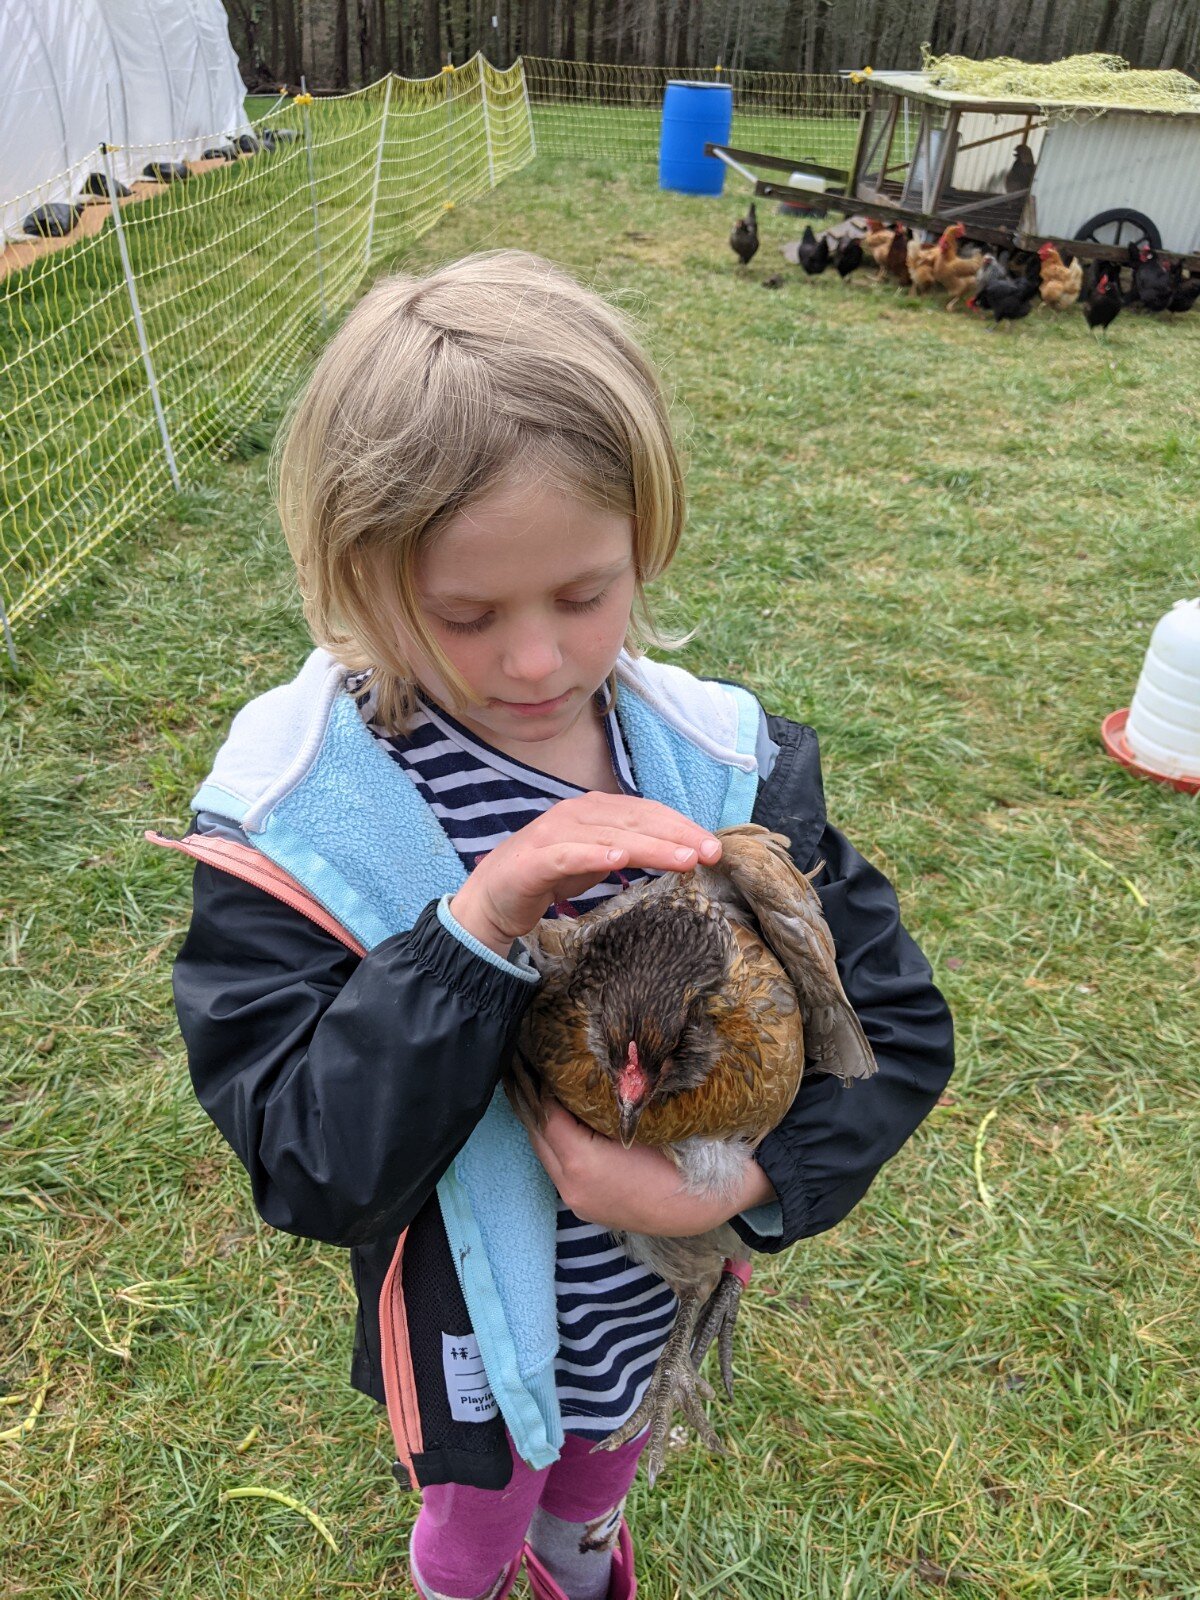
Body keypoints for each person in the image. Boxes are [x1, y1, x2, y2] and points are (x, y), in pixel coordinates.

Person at [151, 249, 954, 1600]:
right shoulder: (302, 825)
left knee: (597, 1468)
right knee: (474, 1525)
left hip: (655, 1298)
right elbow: (307, 1162)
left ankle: (582, 1548)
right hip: (466, 1329)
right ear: (357, 579)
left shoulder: (723, 776)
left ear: (649, 540)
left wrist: (755, 1183)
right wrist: (470, 934)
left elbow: (901, 1032)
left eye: (586, 594)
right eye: (465, 614)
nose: (537, 661)